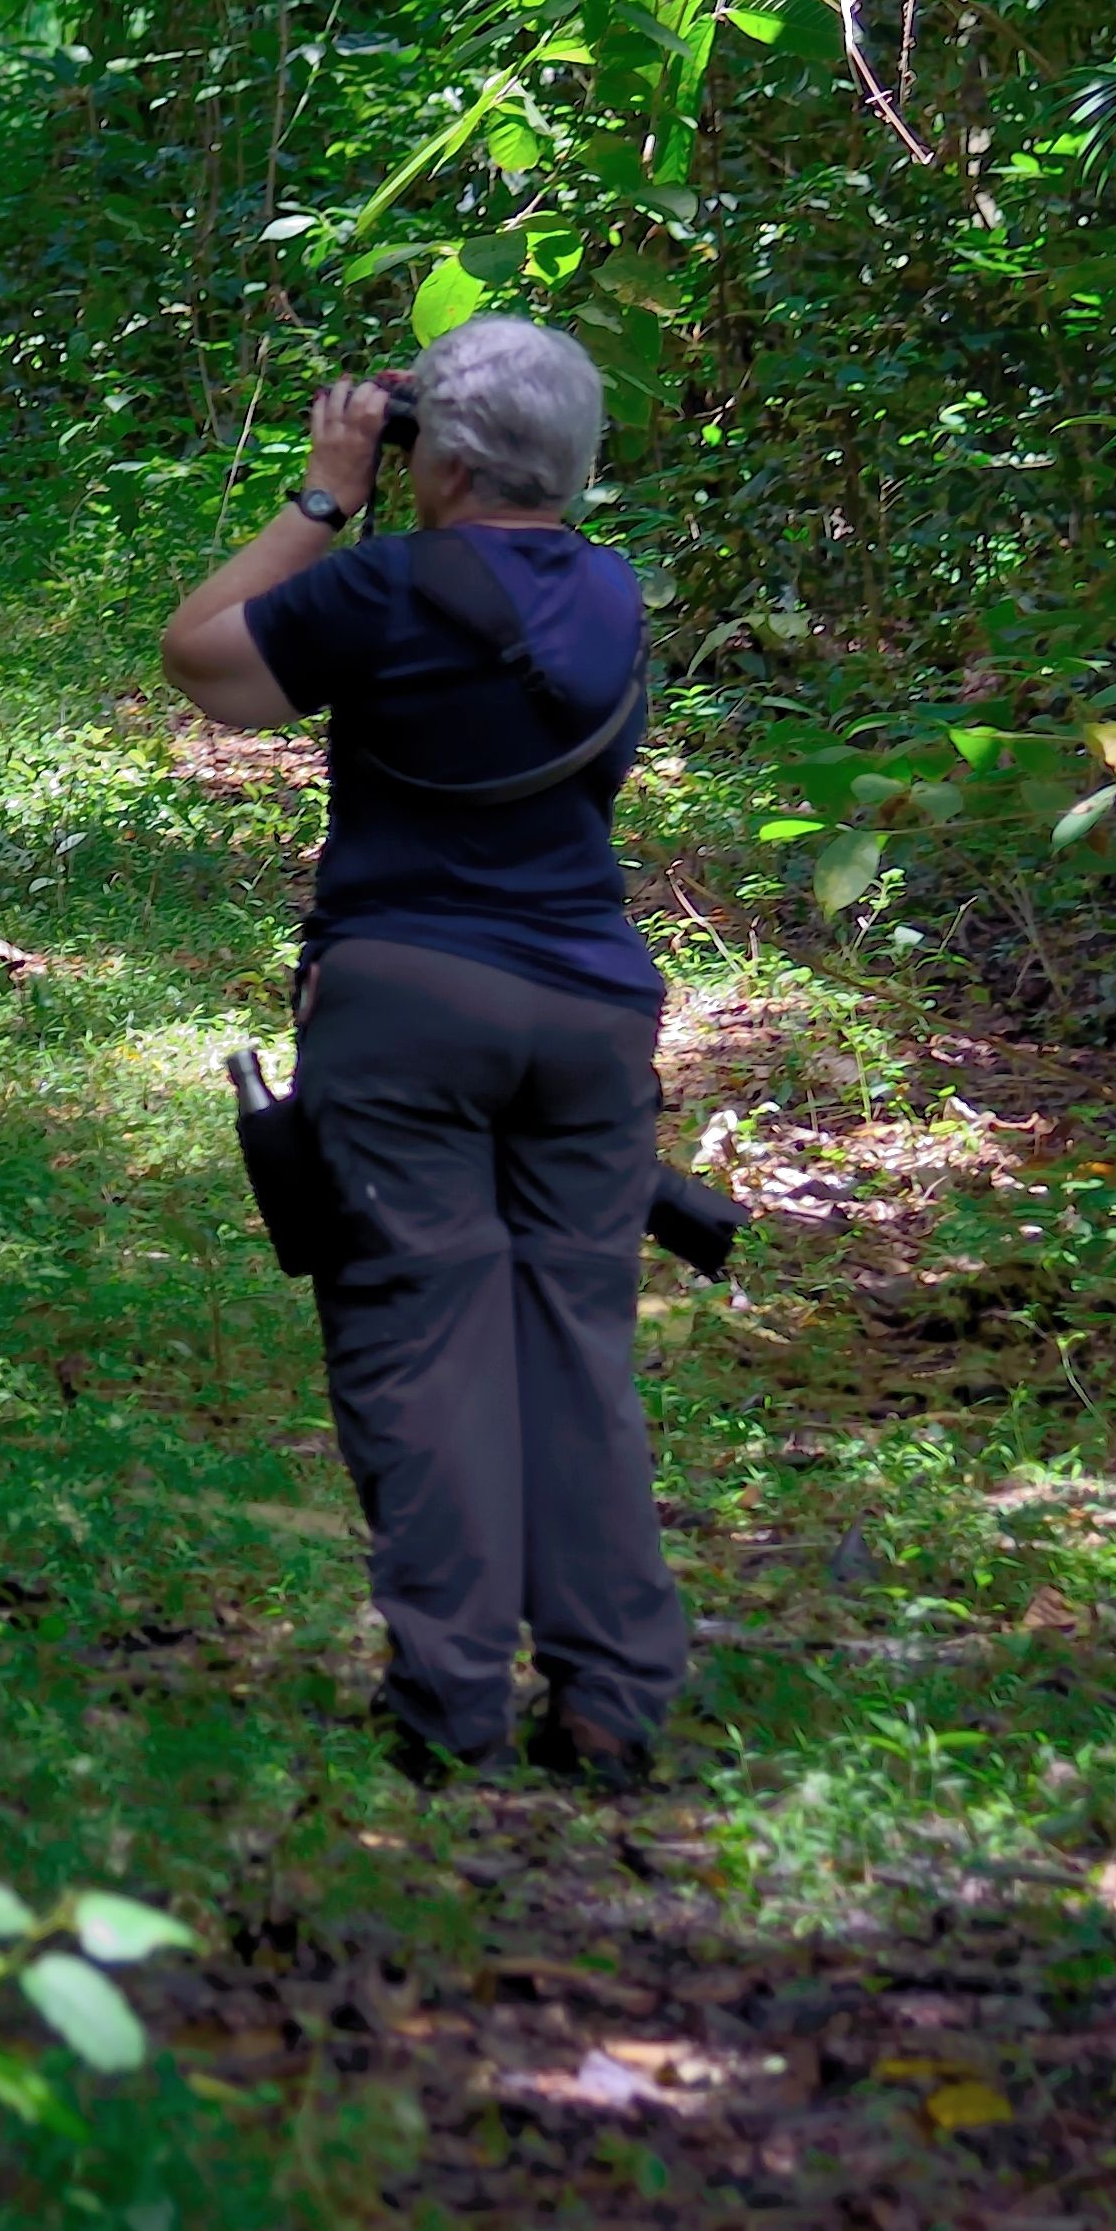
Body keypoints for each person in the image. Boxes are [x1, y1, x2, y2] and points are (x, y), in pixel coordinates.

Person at [158, 314, 689, 1788]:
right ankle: (609, 1705)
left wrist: (327, 493)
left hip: (406, 1008)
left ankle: (452, 1703)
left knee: (425, 1344)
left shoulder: (380, 586)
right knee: (577, 1349)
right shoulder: (614, 597)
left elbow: (204, 660)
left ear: (439, 458)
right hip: (592, 1014)